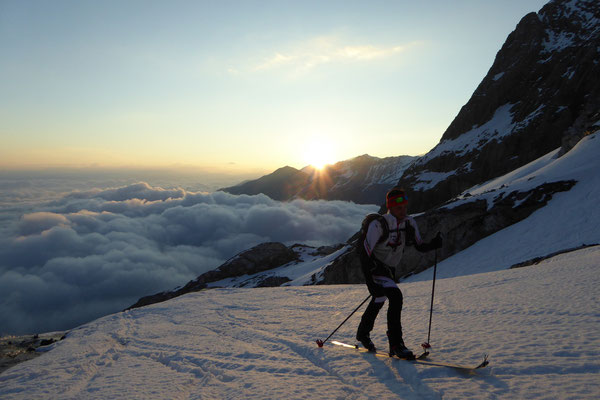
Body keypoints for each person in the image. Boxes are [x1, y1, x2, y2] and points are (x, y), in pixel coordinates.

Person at [356, 187, 442, 359]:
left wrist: (434, 244)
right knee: (396, 296)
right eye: (398, 208)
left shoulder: (409, 223)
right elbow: (364, 253)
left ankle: (362, 333)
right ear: (390, 207)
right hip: (375, 267)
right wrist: (370, 282)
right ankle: (396, 344)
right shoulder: (379, 225)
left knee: (380, 298)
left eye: (404, 207)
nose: (403, 211)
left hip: (389, 269)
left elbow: (419, 245)